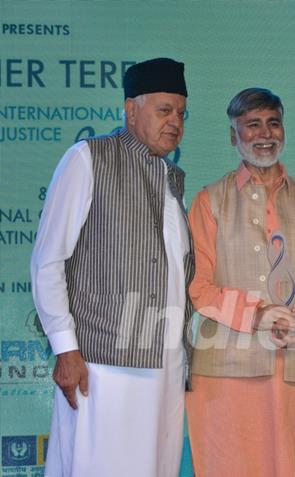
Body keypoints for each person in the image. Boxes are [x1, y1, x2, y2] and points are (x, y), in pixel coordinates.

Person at [30, 57, 194, 477]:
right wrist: (67, 350)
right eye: (164, 110)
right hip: (103, 364)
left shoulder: (172, 177)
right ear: (130, 109)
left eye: (181, 112)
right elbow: (49, 260)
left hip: (167, 365)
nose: (174, 121)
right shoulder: (88, 158)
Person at [185, 87, 295, 477]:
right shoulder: (210, 201)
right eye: (252, 125)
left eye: (273, 123)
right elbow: (198, 287)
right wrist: (257, 316)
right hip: (228, 371)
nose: (265, 134)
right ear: (234, 136)